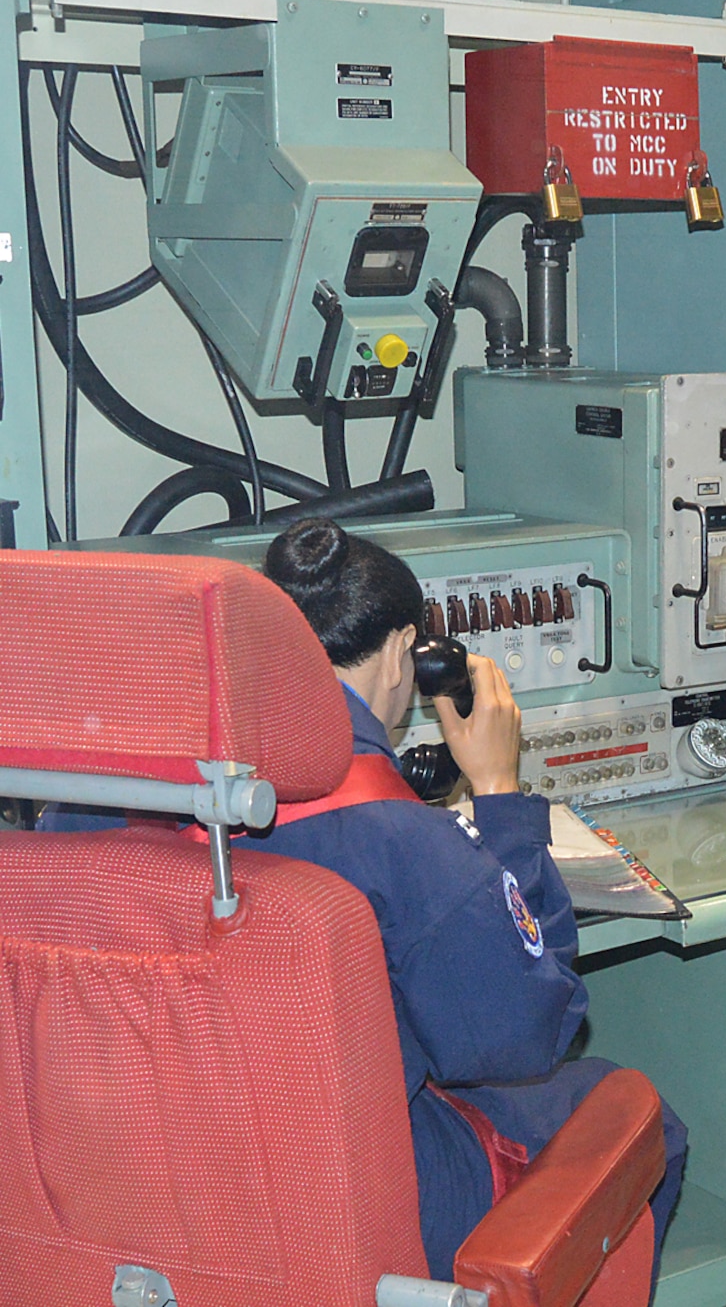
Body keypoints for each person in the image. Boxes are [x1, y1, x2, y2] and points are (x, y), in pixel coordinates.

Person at [252, 517, 687, 1281]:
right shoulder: (402, 845)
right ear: (401, 655)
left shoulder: (115, 811)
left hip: (192, 1175)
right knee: (641, 1120)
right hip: (373, 1192)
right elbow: (533, 1030)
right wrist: (496, 791)